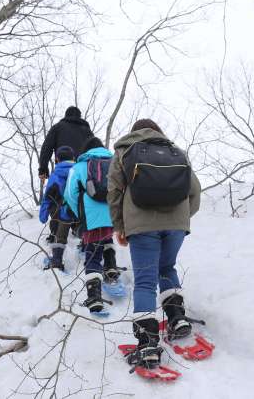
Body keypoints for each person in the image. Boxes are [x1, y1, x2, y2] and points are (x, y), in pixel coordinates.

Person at [107, 119, 201, 369]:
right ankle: (177, 319)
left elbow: (114, 192)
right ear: (157, 130)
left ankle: (148, 343)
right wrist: (181, 218)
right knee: (167, 268)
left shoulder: (125, 152)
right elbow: (195, 190)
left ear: (133, 132)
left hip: (142, 225)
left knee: (146, 280)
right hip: (176, 226)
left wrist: (120, 227)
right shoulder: (175, 151)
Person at [64, 137, 120, 314]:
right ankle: (111, 266)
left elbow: (70, 194)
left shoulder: (79, 166)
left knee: (92, 253)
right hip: (113, 213)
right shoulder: (115, 163)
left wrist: (80, 213)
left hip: (91, 215)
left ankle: (94, 297)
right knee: (107, 237)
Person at [39, 146, 76, 271]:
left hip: (62, 213)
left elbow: (48, 196)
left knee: (59, 233)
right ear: (73, 158)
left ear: (58, 160)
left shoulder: (56, 175)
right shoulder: (79, 170)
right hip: (79, 212)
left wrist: (43, 215)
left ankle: (56, 261)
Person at [38, 106, 94, 180]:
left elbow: (46, 148)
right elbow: (95, 152)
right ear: (80, 117)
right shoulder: (88, 132)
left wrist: (43, 168)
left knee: (60, 190)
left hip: (63, 171)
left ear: (66, 115)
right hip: (84, 173)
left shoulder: (57, 127)